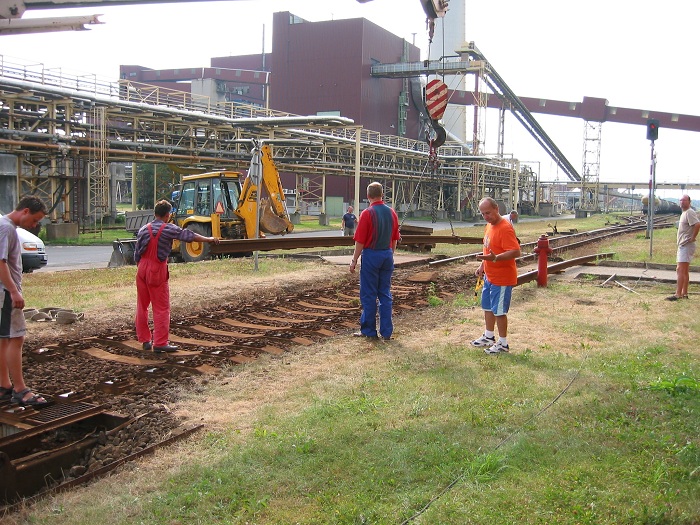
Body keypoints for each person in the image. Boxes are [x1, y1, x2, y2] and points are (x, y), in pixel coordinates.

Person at [134, 200, 220, 353]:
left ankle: (145, 340)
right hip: (157, 269)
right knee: (161, 308)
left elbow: (137, 253)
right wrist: (209, 239)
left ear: (155, 213)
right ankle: (160, 343)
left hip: (141, 269)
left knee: (142, 306)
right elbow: (188, 235)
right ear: (167, 215)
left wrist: (142, 269)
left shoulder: (143, 230)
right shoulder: (168, 228)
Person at [0, 195, 49, 406]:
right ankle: (20, 390)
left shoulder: (3, 225)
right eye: (35, 220)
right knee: (16, 338)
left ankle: (4, 386)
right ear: (25, 211)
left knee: (4, 339)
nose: (35, 225)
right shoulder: (7, 229)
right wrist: (14, 291)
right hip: (5, 293)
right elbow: (0, 262)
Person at [349, 182, 400, 340]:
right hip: (386, 254)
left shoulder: (367, 213)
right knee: (385, 293)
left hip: (371, 255)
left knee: (369, 294)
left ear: (368, 195)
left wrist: (354, 260)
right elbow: (394, 239)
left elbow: (360, 241)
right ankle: (386, 332)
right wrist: (390, 254)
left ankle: (369, 331)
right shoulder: (392, 213)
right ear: (382, 195)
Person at [471, 197, 521, 354]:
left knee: (499, 311)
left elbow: (516, 251)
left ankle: (503, 343)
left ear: (497, 209)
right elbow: (488, 251)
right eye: (483, 214)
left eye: (488, 213)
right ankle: (488, 336)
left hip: (502, 278)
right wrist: (482, 266)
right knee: (487, 307)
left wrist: (496, 258)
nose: (486, 217)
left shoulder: (505, 228)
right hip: (490, 277)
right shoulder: (489, 226)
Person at [666, 194, 700, 301]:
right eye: (680, 200)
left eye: (684, 200)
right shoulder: (684, 213)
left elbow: (697, 224)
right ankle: (684, 293)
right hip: (683, 244)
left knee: (680, 269)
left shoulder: (689, 212)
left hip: (686, 245)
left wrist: (693, 237)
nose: (682, 202)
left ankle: (678, 294)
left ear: (689, 202)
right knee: (683, 270)